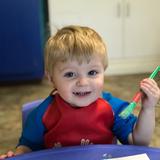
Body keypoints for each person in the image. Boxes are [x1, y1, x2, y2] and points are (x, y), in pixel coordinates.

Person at [0, 25, 160, 159]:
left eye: (92, 73)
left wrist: (148, 108)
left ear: (103, 71)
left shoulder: (113, 109)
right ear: (51, 78)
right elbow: (27, 149)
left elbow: (139, 143)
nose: (83, 83)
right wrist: (16, 155)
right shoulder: (42, 114)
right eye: (70, 74)